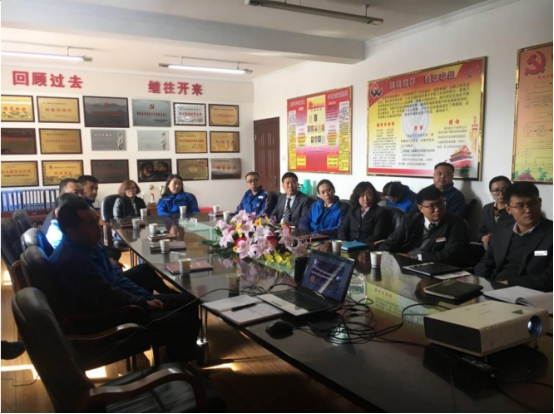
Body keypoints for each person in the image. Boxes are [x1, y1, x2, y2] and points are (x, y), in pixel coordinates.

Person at [48, 200, 198, 360]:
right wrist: (143, 304)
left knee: (187, 301)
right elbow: (107, 295)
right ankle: (178, 365)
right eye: (91, 224)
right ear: (72, 232)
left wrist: (145, 298)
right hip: (105, 318)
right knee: (185, 319)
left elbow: (116, 279)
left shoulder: (91, 245)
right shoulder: (71, 261)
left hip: (117, 303)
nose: (98, 227)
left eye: (96, 220)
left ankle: (177, 353)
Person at [474, 183, 552, 292]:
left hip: (531, 292)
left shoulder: (550, 232)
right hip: (493, 288)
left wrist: (507, 284)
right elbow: (487, 261)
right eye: (520, 206)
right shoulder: (502, 228)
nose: (528, 210)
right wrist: (478, 282)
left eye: (532, 203)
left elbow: (550, 277)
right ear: (508, 210)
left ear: (539, 202)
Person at [379, 186, 469, 266]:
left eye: (441, 203)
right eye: (431, 206)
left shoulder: (456, 223)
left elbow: (449, 254)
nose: (437, 209)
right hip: (404, 263)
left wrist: (414, 257)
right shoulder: (409, 220)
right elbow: (390, 243)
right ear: (420, 208)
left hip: (434, 266)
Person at [477, 175, 513, 245]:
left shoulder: (516, 209)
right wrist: (483, 237)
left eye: (505, 189)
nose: (501, 193)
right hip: (488, 247)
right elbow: (481, 230)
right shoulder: (487, 208)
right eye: (496, 190)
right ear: (491, 193)